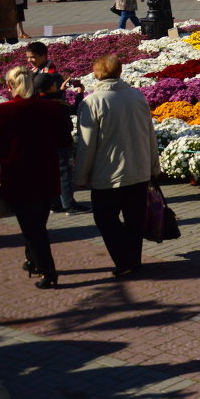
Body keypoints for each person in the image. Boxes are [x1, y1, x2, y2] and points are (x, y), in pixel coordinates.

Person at [0, 67, 74, 289]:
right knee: (37, 223)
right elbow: (65, 140)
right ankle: (33, 260)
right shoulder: (52, 108)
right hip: (46, 174)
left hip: (18, 177)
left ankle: (48, 271)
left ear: (9, 86)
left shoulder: (3, 111)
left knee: (32, 228)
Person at [75, 54, 162, 278]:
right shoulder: (136, 96)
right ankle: (134, 260)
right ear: (119, 72)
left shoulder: (92, 102)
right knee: (134, 220)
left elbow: (86, 144)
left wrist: (81, 176)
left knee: (105, 219)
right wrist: (153, 166)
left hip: (107, 175)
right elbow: (150, 134)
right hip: (138, 171)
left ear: (97, 73)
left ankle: (124, 260)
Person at [35, 71, 88, 214]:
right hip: (61, 143)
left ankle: (55, 204)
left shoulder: (37, 101)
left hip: (45, 145)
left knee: (51, 173)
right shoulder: (57, 104)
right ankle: (69, 204)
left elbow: (50, 98)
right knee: (64, 173)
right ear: (51, 86)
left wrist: (61, 90)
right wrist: (79, 94)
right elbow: (75, 109)